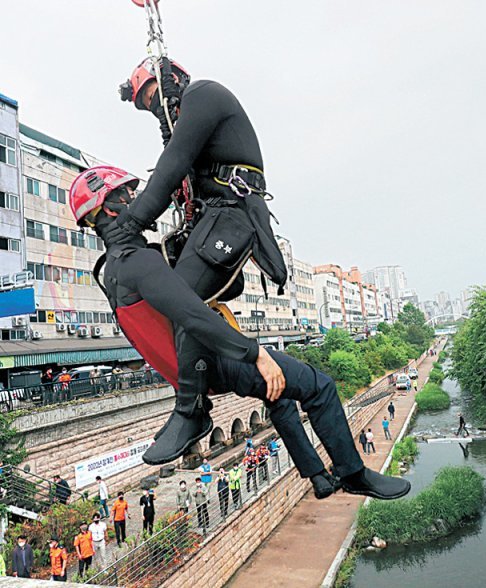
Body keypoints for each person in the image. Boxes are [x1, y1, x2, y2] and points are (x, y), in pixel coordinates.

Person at [69, 168, 409, 502]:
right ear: (111, 208)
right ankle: (353, 474)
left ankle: (317, 476)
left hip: (196, 368)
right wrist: (254, 353)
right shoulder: (139, 261)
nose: (138, 199)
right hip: (216, 362)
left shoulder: (110, 268)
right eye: (128, 195)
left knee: (278, 393)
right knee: (319, 387)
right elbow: (193, 315)